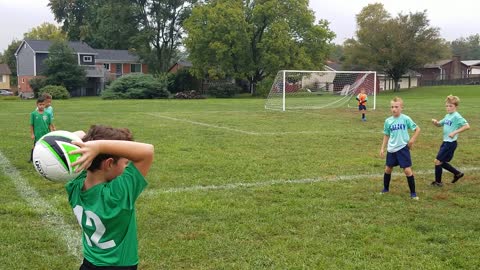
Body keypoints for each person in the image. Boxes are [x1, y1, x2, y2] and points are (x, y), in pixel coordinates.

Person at [66, 125, 154, 270]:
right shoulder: (117, 194)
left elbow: (79, 134)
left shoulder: (74, 186)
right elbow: (147, 151)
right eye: (126, 163)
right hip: (120, 266)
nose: (127, 167)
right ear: (109, 163)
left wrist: (94, 146)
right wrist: (99, 147)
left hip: (89, 264)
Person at [380, 97, 421, 200]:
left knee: (407, 170)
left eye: (396, 107)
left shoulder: (406, 119)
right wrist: (382, 148)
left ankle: (413, 193)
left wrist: (411, 140)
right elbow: (386, 135)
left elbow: (417, 129)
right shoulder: (388, 121)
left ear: (401, 108)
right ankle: (385, 189)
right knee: (388, 169)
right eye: (392, 107)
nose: (394, 109)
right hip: (391, 149)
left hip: (403, 148)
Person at [431, 95, 470, 186]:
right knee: (441, 162)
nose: (448, 108)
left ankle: (438, 182)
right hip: (445, 142)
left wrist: (454, 132)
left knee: (437, 161)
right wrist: (435, 122)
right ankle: (457, 173)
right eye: (447, 106)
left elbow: (467, 126)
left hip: (450, 143)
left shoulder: (457, 116)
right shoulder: (448, 115)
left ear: (456, 106)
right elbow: (439, 124)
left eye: (450, 106)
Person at [29, 96, 53, 162]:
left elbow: (50, 124)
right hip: (37, 134)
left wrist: (51, 132)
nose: (41, 106)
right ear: (37, 105)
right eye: (40, 104)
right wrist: (32, 134)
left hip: (46, 133)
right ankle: (32, 158)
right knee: (35, 146)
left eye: (43, 105)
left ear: (45, 105)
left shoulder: (47, 114)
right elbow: (31, 125)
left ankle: (46, 158)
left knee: (46, 147)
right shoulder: (33, 114)